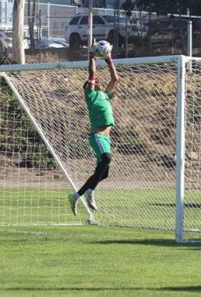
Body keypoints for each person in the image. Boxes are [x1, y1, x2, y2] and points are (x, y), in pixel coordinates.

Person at [68, 42, 119, 215]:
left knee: (104, 173)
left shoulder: (105, 94)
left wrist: (109, 59)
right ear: (89, 86)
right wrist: (91, 55)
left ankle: (77, 195)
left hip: (106, 138)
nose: (97, 81)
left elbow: (115, 79)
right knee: (107, 159)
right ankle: (90, 192)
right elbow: (92, 72)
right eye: (94, 81)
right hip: (97, 136)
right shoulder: (90, 95)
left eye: (97, 81)